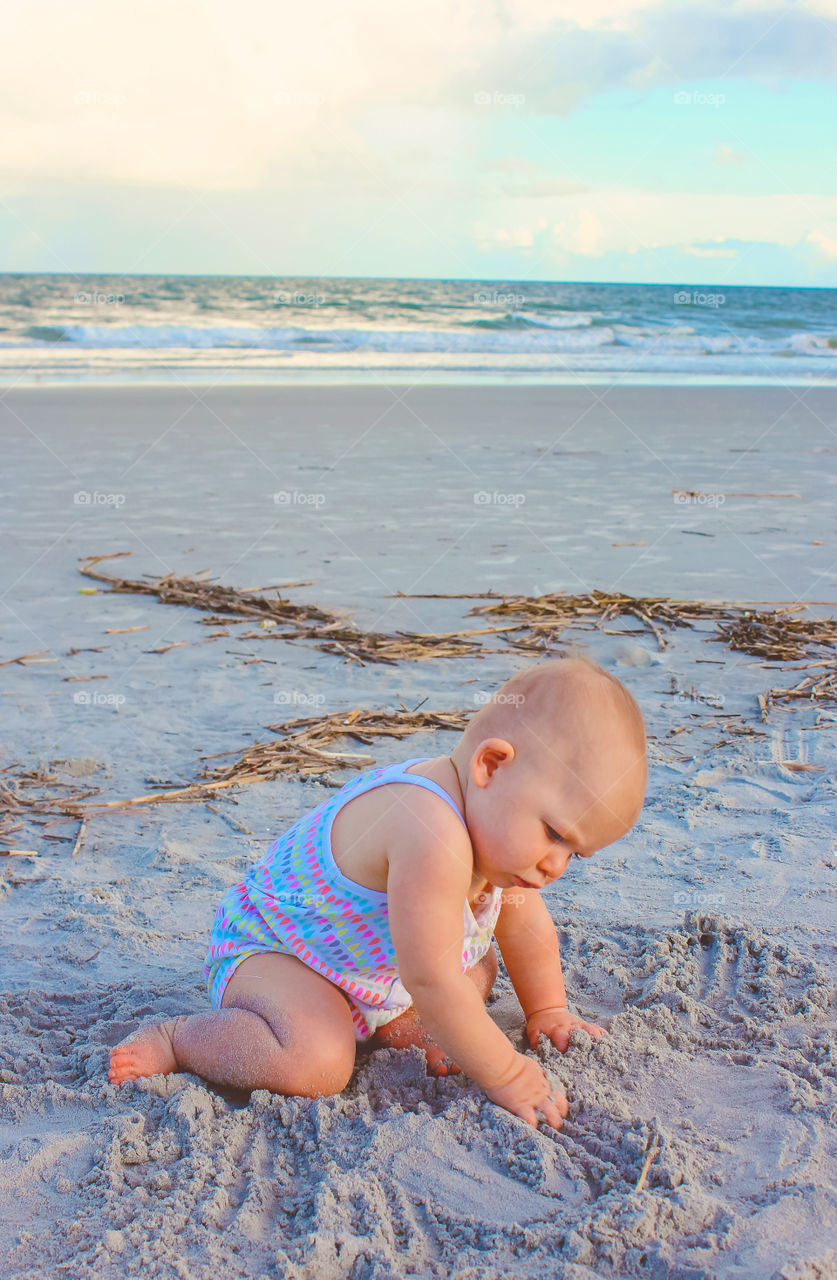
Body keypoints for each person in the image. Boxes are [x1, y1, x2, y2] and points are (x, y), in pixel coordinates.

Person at [109, 657, 647, 1129]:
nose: (556, 865)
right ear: (490, 765)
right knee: (317, 1063)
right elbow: (432, 977)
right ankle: (180, 1039)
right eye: (553, 833)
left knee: (480, 970)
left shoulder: (501, 845)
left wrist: (548, 1008)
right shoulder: (429, 826)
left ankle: (395, 1021)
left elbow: (526, 925)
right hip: (283, 953)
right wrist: (507, 1074)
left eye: (575, 853)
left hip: (372, 970)